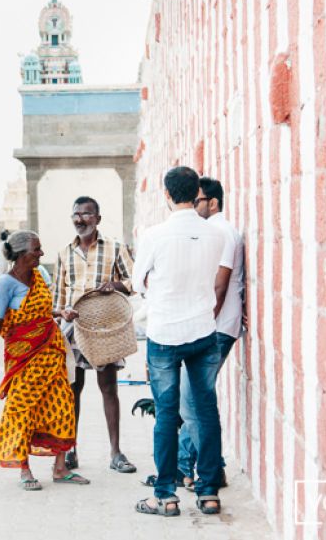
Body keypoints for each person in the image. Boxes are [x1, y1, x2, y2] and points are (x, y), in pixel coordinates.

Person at [131, 166, 232, 517]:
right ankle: (208, 494)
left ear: (168, 195)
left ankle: (166, 495)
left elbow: (137, 283)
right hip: (203, 331)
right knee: (206, 412)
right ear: (196, 193)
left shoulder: (154, 235)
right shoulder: (215, 235)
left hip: (164, 333)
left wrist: (158, 292)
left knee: (167, 414)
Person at [0, 230, 88, 491]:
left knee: (63, 404)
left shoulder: (39, 276)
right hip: (23, 358)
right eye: (36, 250)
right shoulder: (6, 284)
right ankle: (24, 468)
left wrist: (60, 312)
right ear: (20, 254)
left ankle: (61, 468)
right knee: (22, 410)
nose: (41, 253)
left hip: (51, 353)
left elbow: (42, 310)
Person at [52, 196, 136, 475]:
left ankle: (115, 452)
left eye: (86, 214)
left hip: (104, 327)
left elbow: (133, 281)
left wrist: (116, 285)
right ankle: (70, 450)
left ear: (97, 219)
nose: (80, 219)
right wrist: (60, 315)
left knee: (108, 387)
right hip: (73, 328)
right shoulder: (65, 252)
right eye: (76, 214)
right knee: (72, 391)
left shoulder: (114, 247)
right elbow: (59, 295)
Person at [174, 176, 244, 488]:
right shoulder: (211, 231)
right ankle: (186, 467)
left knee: (191, 404)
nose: (192, 206)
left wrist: (200, 326)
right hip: (210, 326)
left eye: (197, 201)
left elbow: (220, 283)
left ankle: (209, 471)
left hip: (214, 329)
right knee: (193, 402)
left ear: (212, 203)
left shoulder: (221, 231)